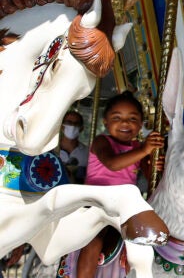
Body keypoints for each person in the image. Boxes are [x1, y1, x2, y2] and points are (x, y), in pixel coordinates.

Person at [75, 91, 165, 278]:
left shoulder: (137, 148)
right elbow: (112, 163)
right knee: (94, 241)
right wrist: (144, 150)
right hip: (96, 205)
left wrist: (155, 164)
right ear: (106, 122)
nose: (125, 123)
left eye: (132, 118)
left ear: (140, 124)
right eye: (117, 118)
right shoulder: (101, 142)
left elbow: (151, 179)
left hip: (123, 208)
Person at [58, 109, 89, 184]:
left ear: (81, 128)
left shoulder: (87, 152)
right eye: (69, 122)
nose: (73, 126)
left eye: (76, 123)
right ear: (62, 126)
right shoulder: (52, 149)